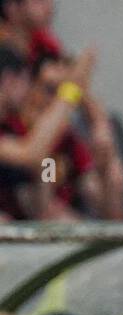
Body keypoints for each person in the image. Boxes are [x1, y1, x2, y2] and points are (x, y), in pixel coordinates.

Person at [0, 42, 93, 220]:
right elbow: (29, 154)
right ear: (9, 80)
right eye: (26, 82)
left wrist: (47, 159)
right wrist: (71, 91)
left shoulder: (16, 127)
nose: (27, 91)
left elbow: (44, 205)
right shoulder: (18, 130)